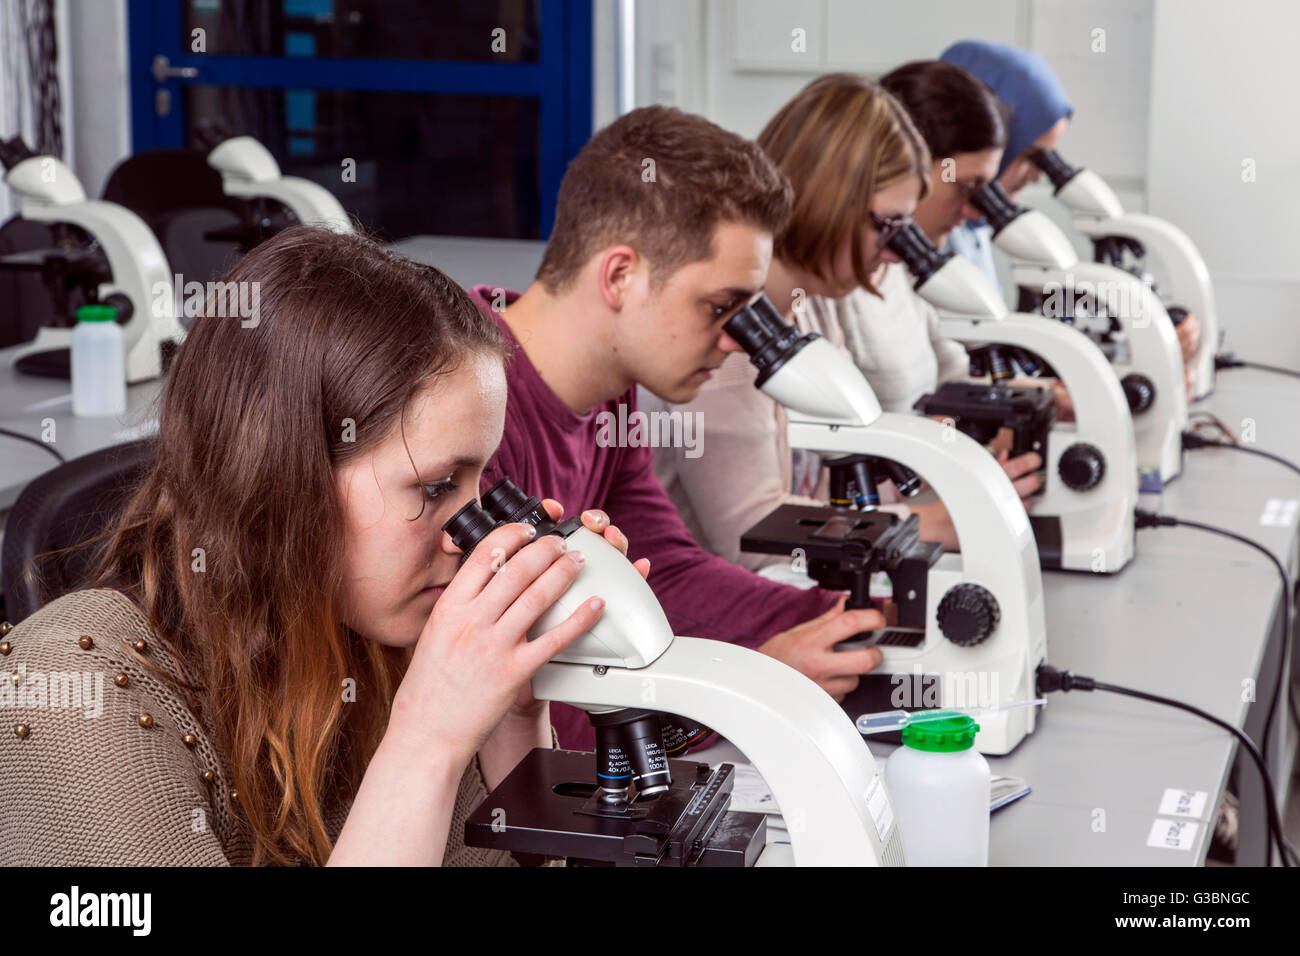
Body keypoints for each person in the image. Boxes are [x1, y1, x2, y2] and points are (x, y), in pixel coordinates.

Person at [0, 226, 643, 866]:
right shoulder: (66, 693)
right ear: (284, 480)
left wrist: (513, 717)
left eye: (484, 484)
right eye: (436, 486)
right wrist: (427, 741)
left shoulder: (377, 633)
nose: (475, 537)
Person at [468, 106, 887, 747]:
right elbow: (509, 698)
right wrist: (748, 687)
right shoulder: (466, 403)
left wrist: (843, 622)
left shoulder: (611, 397)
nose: (738, 342)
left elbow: (667, 570)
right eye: (721, 307)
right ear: (620, 275)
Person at [642, 75, 1041, 566]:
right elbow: (750, 539)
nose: (896, 256)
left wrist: (952, 481)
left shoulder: (810, 303)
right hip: (709, 615)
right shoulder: (728, 330)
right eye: (887, 226)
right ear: (831, 198)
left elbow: (821, 479)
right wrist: (921, 524)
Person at [940, 40, 1202, 389]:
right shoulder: (938, 231)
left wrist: (1151, 328)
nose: (1037, 176)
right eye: (1032, 157)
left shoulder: (974, 231)